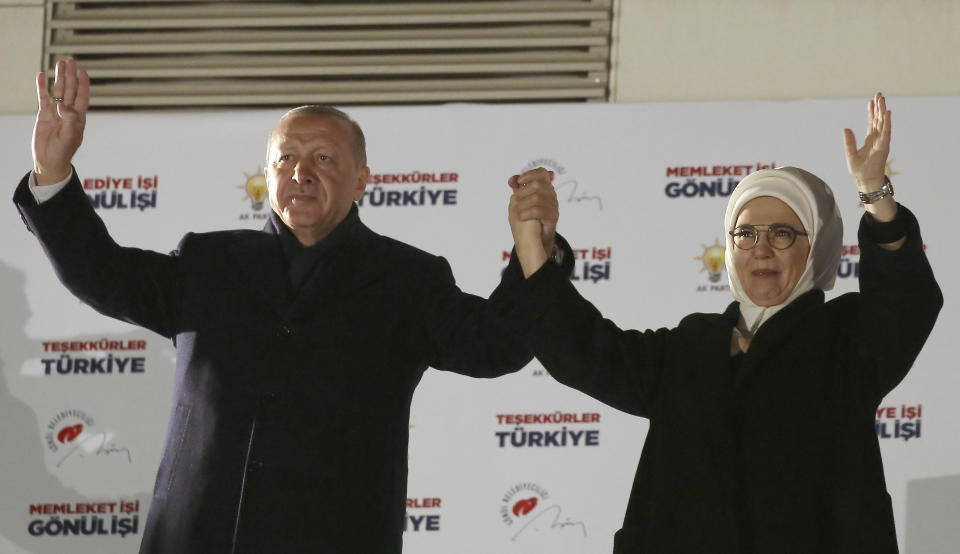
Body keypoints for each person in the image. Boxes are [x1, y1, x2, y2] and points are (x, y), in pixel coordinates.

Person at [14, 59, 569, 553]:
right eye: (286, 159)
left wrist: (534, 249)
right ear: (268, 176)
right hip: (196, 537)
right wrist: (53, 174)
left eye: (324, 158)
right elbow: (100, 273)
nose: (301, 173)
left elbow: (495, 346)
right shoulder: (207, 261)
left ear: (361, 181)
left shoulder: (409, 280)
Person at [501, 94, 942, 553]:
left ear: (819, 246)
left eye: (783, 233)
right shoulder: (692, 345)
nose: (761, 249)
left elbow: (905, 305)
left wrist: (875, 195)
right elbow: (584, 352)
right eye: (746, 233)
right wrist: (535, 246)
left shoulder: (847, 340)